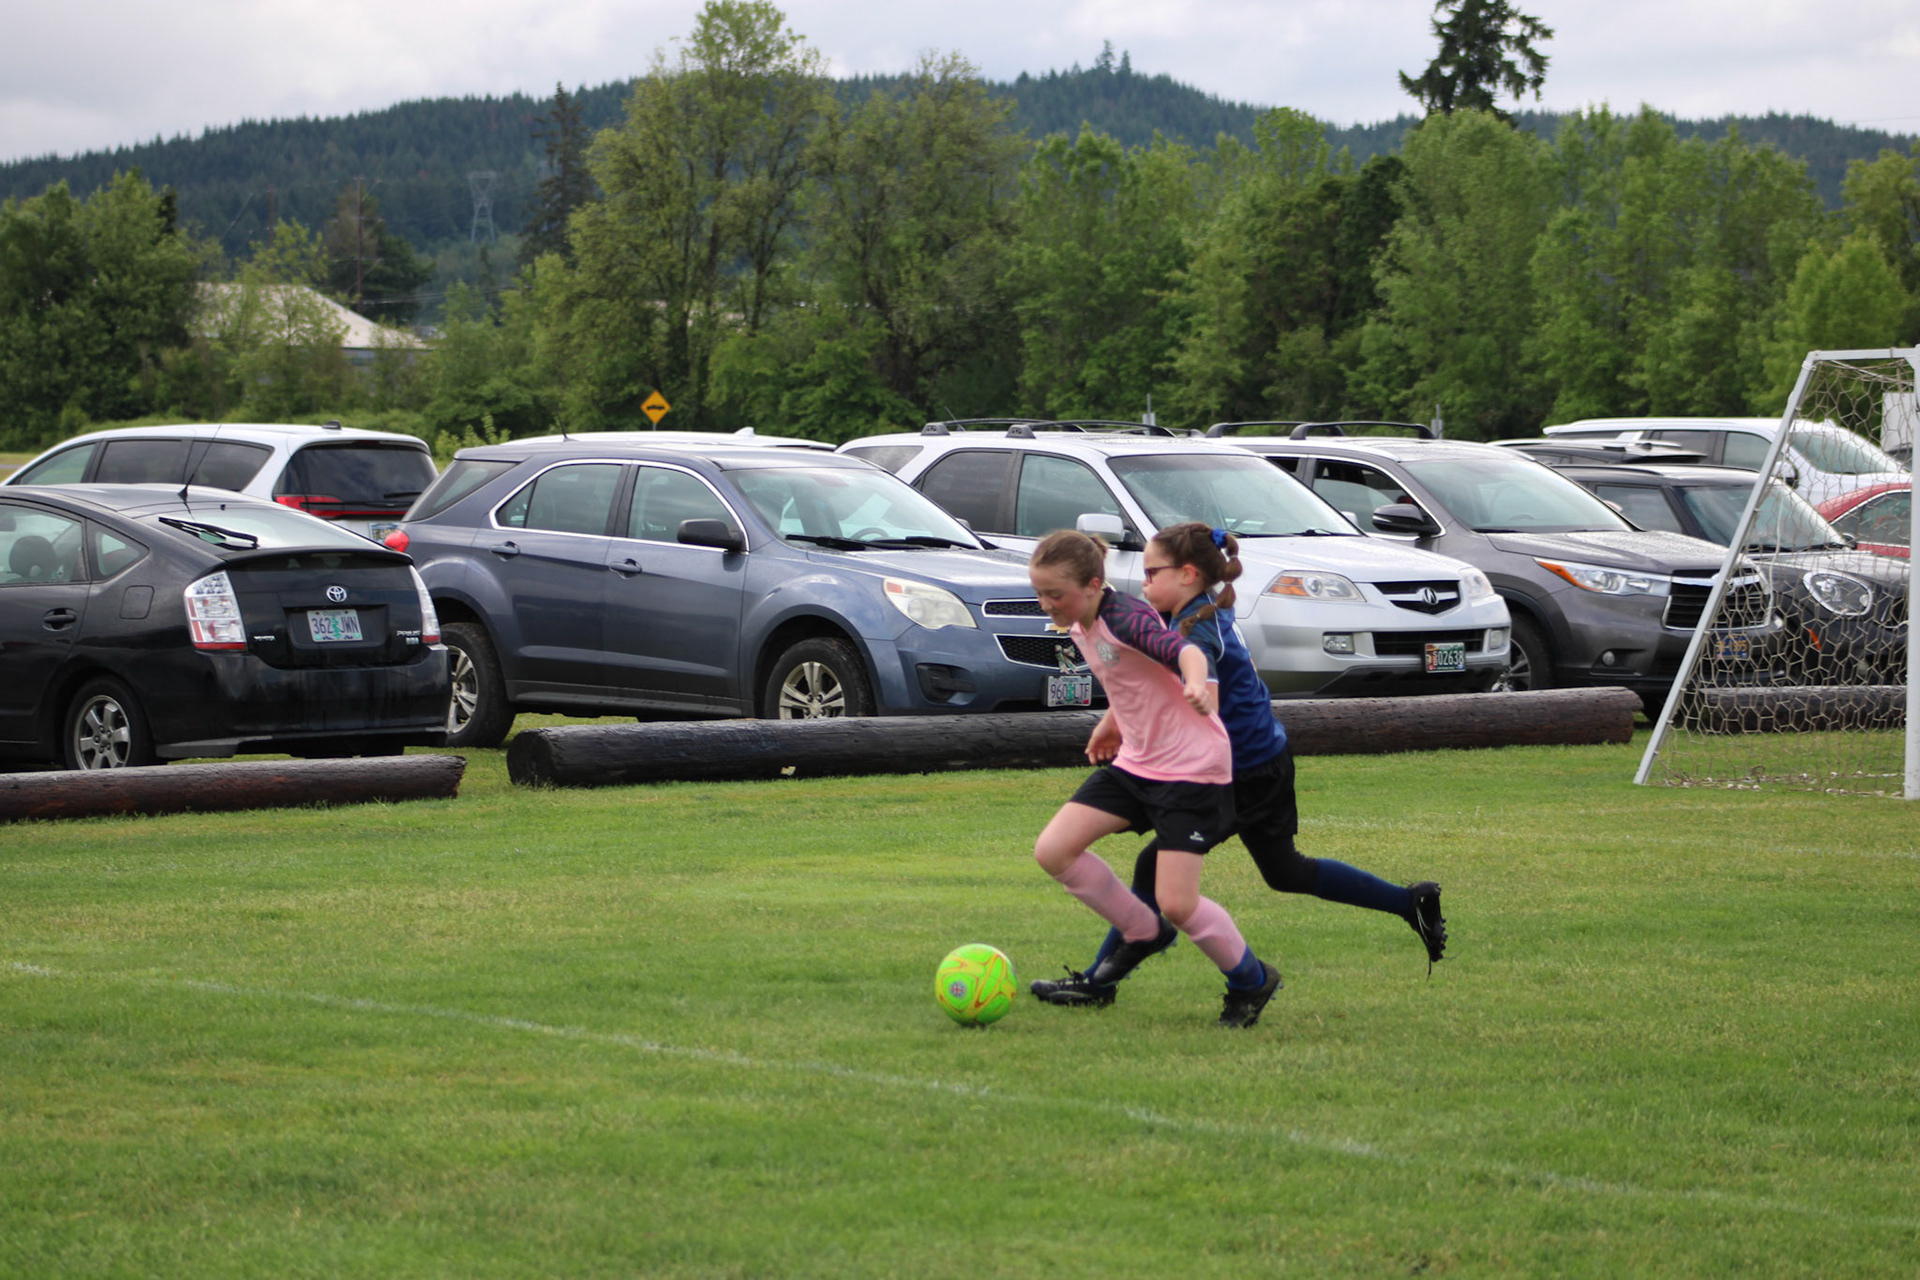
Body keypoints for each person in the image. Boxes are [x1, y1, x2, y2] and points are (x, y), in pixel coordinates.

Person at [1031, 522, 1448, 1010]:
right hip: (1219, 759)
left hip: (1246, 768)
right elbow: (1144, 680)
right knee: (1262, 871)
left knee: (1223, 876)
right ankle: (1407, 902)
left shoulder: (1197, 625)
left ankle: (1120, 980)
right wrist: (1115, 720)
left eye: (1151, 573)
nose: (1142, 584)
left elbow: (1194, 664)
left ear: (1187, 574)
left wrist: (1201, 686)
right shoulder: (1184, 611)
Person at [1026, 528, 1283, 1029]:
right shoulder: (1083, 621)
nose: (1046, 604)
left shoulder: (1125, 618)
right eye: (1040, 593)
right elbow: (1131, 680)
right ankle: (1143, 932)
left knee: (1178, 903)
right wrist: (1112, 723)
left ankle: (1251, 981)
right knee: (1053, 850)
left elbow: (1186, 653)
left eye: (1055, 594)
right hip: (1137, 764)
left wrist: (1196, 684)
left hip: (1192, 770)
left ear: (1094, 584)